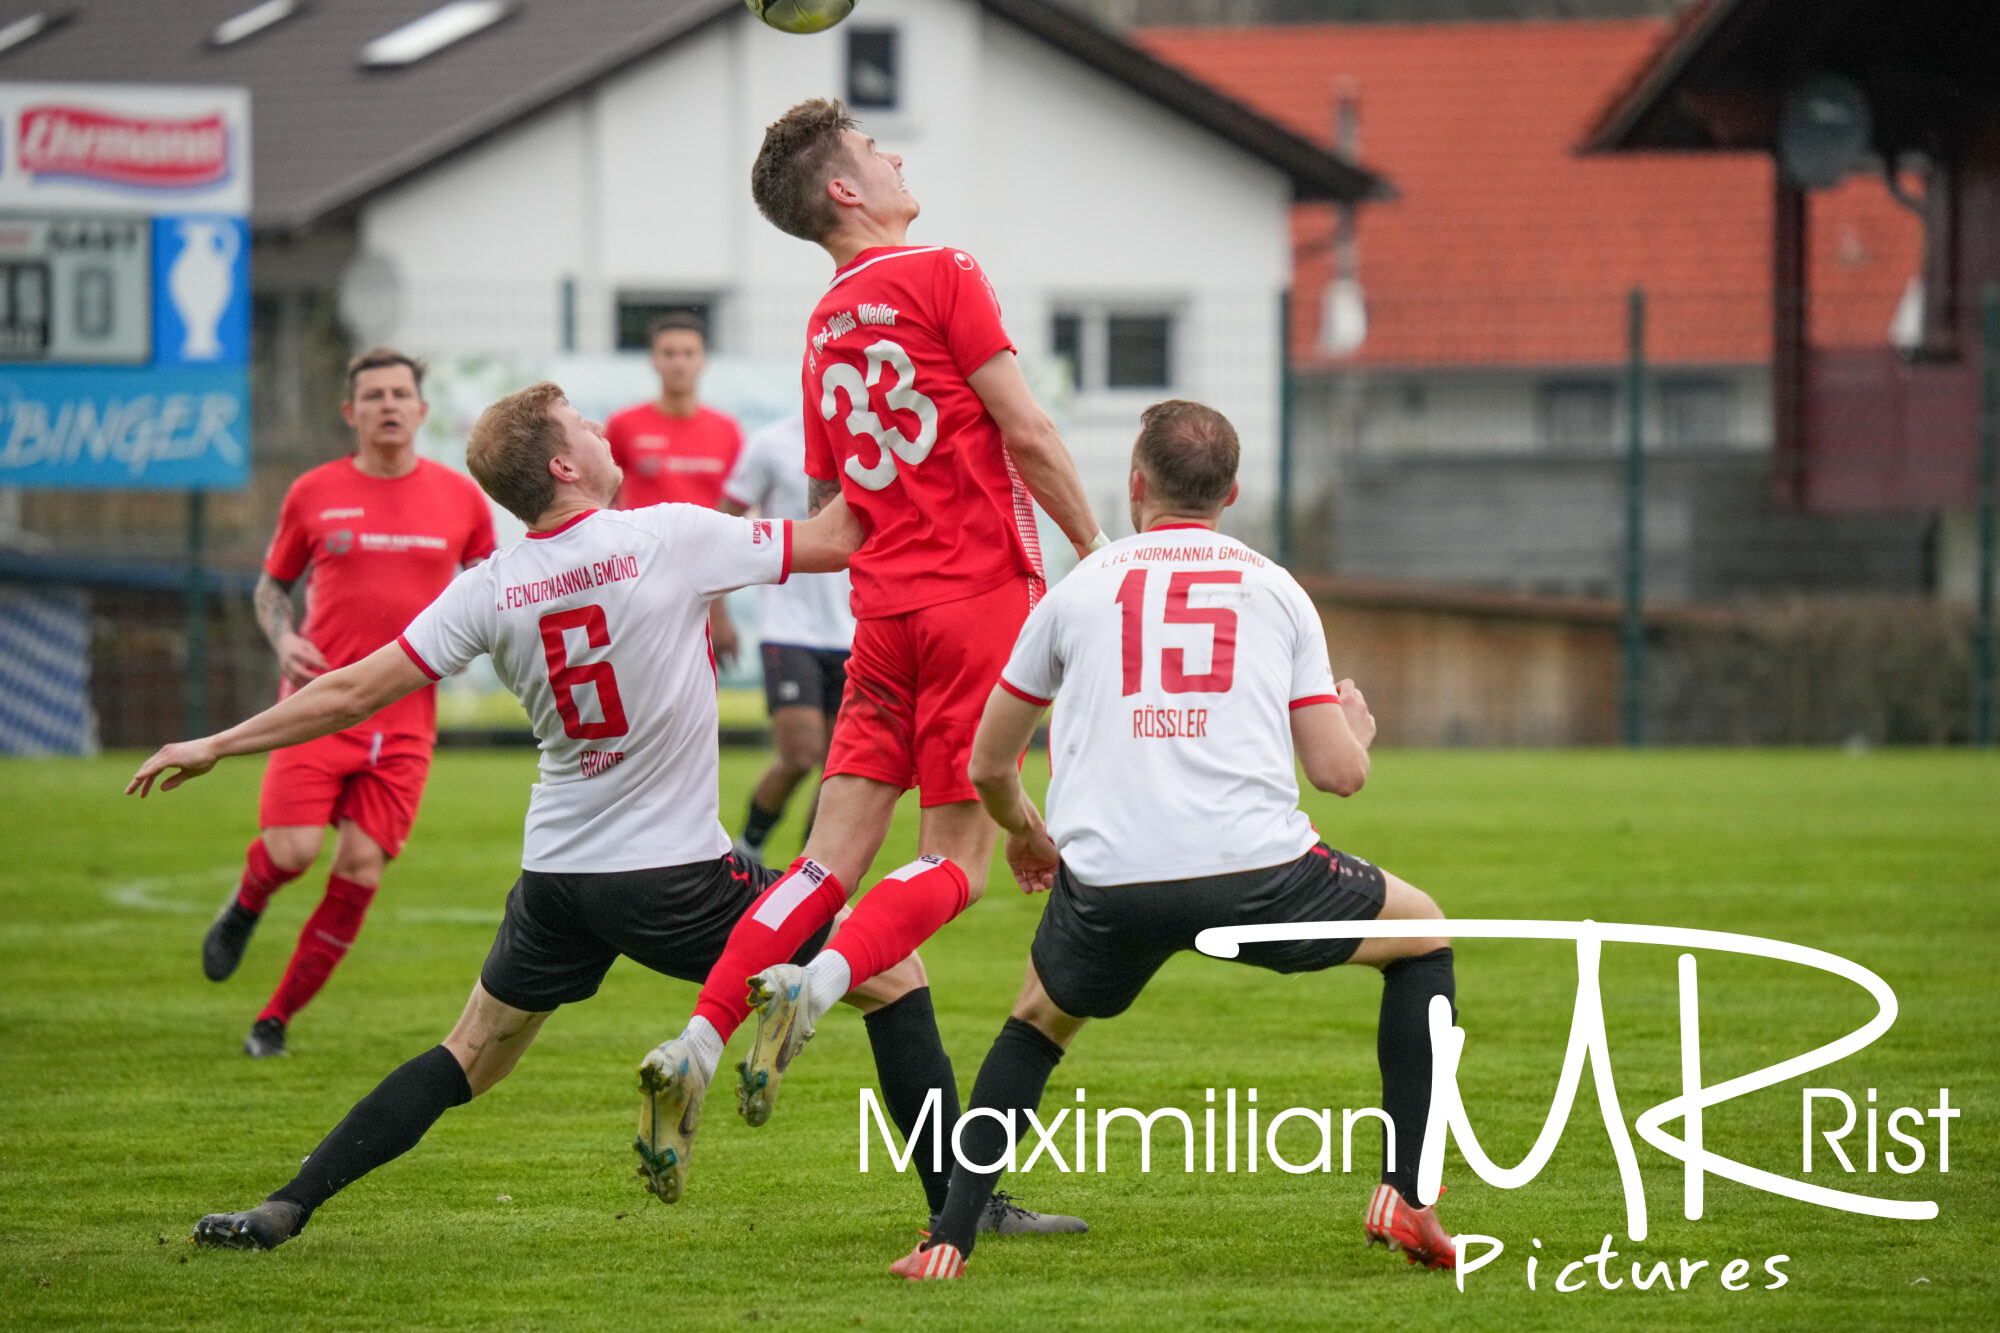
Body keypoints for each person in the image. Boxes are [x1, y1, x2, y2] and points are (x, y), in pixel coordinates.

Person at [128, 383, 951, 1248]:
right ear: (565, 464)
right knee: (898, 973)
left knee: (470, 1054)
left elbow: (350, 688)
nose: (602, 431)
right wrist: (872, 437)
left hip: (559, 878)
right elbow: (839, 539)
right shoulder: (667, 535)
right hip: (673, 874)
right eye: (586, 426)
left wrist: (216, 743)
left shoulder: (491, 585)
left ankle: (284, 1205)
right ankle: (964, 1207)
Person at [637, 99, 1106, 1212]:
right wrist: (1097, 552)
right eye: (876, 150)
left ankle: (699, 1038)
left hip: (878, 612)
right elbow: (1027, 431)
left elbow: (826, 505)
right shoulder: (942, 268)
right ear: (844, 189)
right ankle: (825, 979)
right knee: (959, 861)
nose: (897, 157)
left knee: (822, 859)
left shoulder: (819, 328)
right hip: (976, 597)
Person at [889, 401, 1463, 1280]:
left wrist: (1028, 835)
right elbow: (1339, 775)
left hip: (1111, 881)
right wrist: (1356, 725)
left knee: (1037, 1020)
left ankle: (947, 1242)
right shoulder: (1276, 588)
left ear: (1134, 483)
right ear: (1231, 493)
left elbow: (988, 760)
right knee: (1423, 935)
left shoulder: (1081, 587)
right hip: (1258, 875)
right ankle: (1407, 1193)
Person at [202, 348, 497, 1059]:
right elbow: (271, 587)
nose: (388, 404)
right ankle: (248, 899)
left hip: (404, 719)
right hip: (317, 705)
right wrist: (281, 637)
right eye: (374, 395)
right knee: (294, 849)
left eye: (401, 393)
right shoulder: (312, 491)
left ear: (422, 410)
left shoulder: (462, 499)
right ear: (351, 412)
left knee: (360, 868)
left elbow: (491, 591)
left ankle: (273, 1020)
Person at [718, 411, 855, 865]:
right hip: (788, 627)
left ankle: (810, 872)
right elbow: (726, 523)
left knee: (842, 769)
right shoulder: (772, 443)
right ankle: (747, 849)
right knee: (800, 754)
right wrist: (718, 611)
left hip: (858, 629)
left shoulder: (875, 440)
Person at [605, 310, 746, 667]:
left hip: (703, 581)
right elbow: (599, 506)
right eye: (669, 353)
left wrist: (721, 614)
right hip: (639, 577)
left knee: (696, 689)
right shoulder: (624, 426)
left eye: (688, 353)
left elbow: (732, 527)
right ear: (654, 361)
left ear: (704, 361)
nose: (678, 363)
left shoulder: (727, 431)